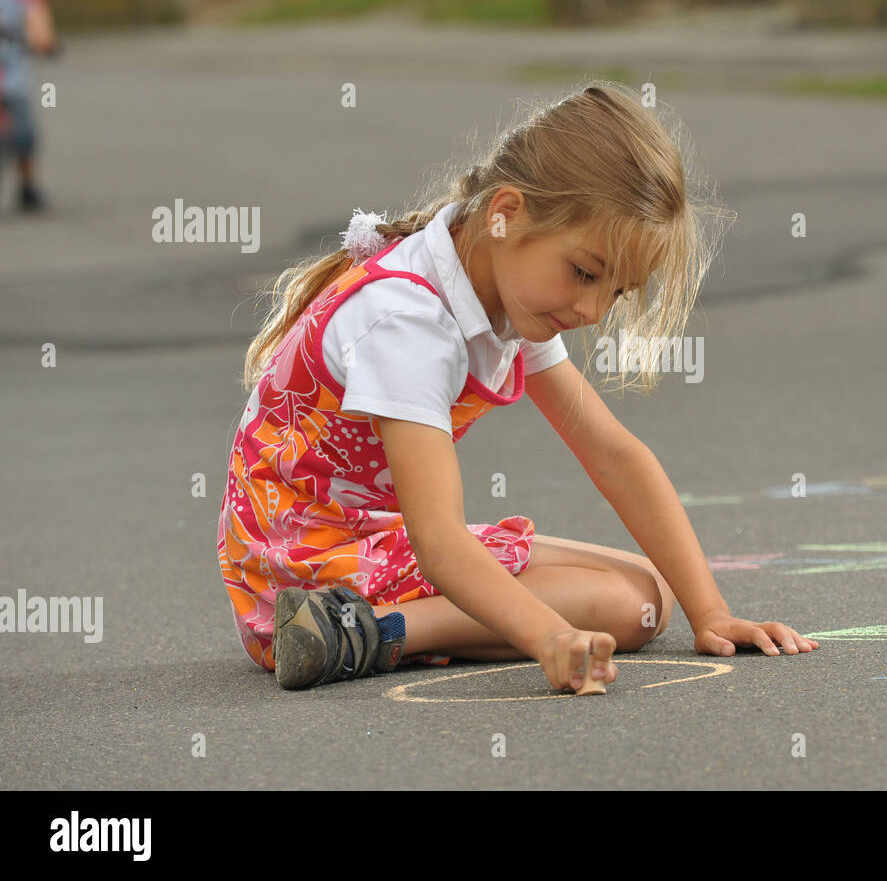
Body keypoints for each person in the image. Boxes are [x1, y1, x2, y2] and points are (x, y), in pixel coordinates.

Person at [218, 82, 819, 694]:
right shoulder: (408, 322)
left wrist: (711, 613)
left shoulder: (504, 284)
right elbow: (439, 541)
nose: (591, 309)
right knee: (617, 603)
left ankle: (364, 628)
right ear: (505, 212)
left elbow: (613, 455)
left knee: (649, 593)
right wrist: (547, 636)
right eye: (584, 272)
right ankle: (367, 632)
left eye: (614, 291)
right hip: (297, 573)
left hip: (355, 537)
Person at [0, 0, 57, 212]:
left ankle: (28, 184)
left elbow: (36, 13)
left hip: (11, 74)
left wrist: (43, 38)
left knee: (24, 131)